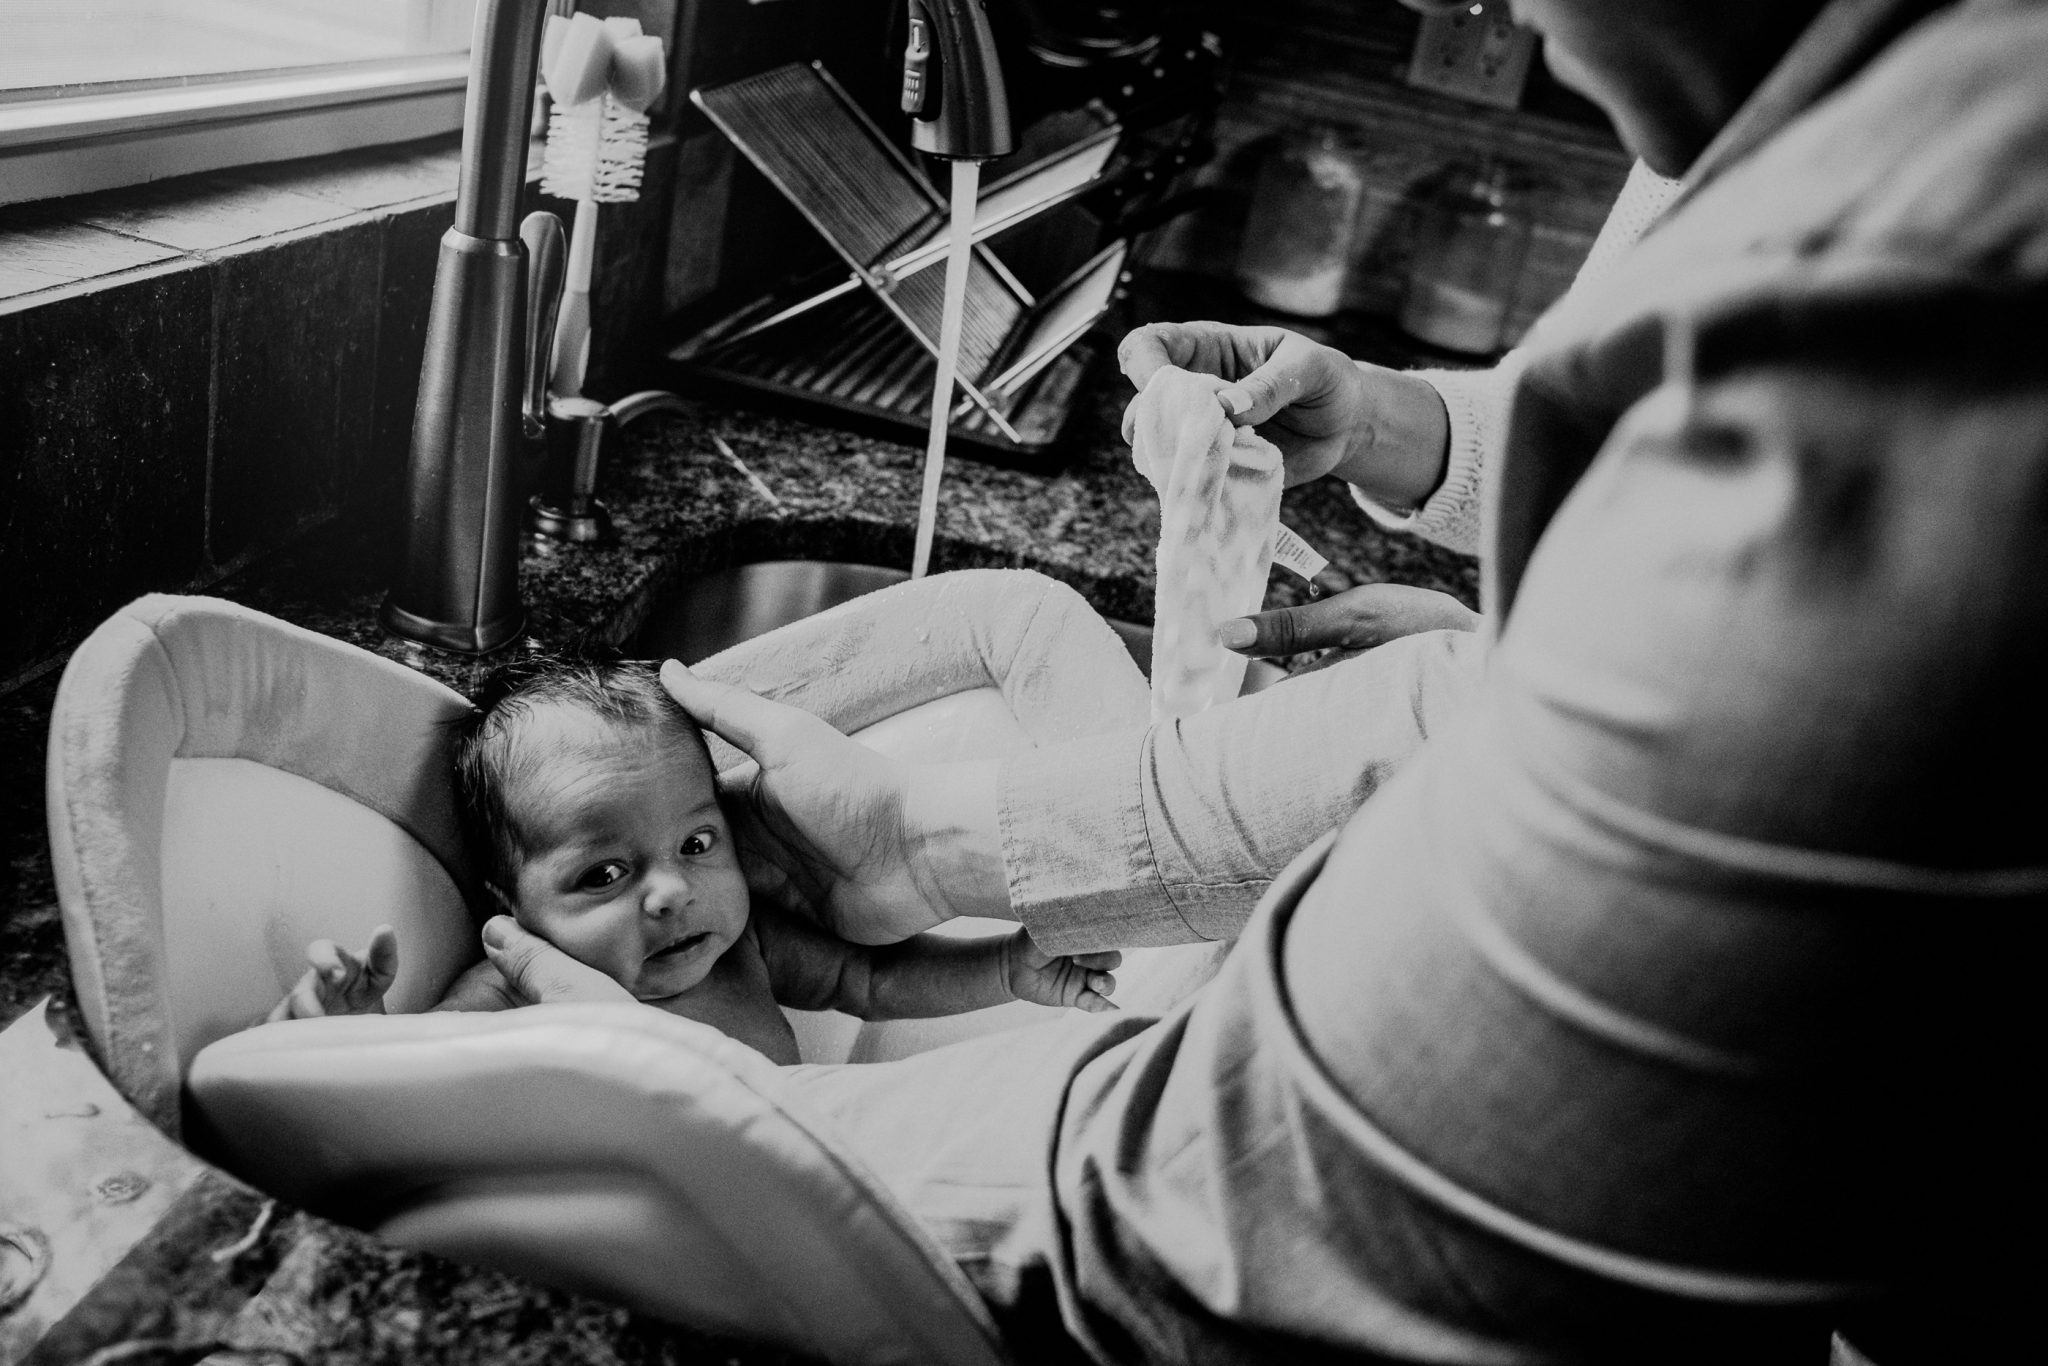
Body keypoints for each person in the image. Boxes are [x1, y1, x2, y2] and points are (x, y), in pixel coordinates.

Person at [490, 0, 2047, 1361]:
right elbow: (1641, 491)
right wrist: (1392, 435)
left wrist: (710, 1114)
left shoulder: (1939, 289)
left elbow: (1286, 1210)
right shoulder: (1844, 135)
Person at [265, 659, 1119, 1061]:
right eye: (603, 874)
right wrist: (345, 1032)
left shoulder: (739, 941)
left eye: (696, 843)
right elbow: (409, 1094)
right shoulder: (509, 991)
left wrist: (1006, 967)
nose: (673, 892)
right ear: (512, 904)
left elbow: (873, 985)